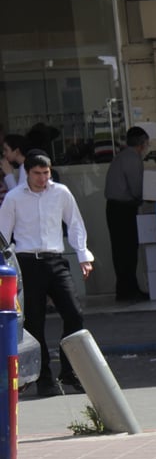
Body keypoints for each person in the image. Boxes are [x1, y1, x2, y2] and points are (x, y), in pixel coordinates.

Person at [0, 151, 94, 397]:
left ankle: (70, 371)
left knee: (74, 314)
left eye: (46, 173)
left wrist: (83, 255)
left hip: (55, 260)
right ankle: (43, 378)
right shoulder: (14, 198)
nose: (42, 178)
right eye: (37, 174)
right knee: (35, 322)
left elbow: (74, 223)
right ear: (27, 173)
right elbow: (3, 234)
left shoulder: (60, 193)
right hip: (27, 262)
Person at [104, 126, 150, 302]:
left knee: (122, 250)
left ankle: (126, 289)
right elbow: (137, 188)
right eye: (146, 143)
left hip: (117, 208)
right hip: (123, 209)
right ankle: (128, 290)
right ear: (142, 143)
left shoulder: (123, 156)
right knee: (127, 251)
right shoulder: (132, 158)